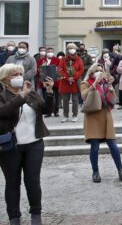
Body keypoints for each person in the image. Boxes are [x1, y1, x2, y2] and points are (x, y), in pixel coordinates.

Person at [0, 64, 54, 225]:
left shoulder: (31, 93)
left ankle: (36, 215)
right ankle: (14, 217)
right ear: (5, 78)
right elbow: (3, 112)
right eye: (14, 74)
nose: (18, 77)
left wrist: (49, 91)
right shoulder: (2, 95)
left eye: (20, 74)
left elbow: (47, 110)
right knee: (12, 182)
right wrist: (21, 96)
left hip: (34, 143)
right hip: (10, 145)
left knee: (33, 181)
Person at [80, 63, 122, 183]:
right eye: (97, 71)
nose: (99, 73)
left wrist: (110, 88)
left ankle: (120, 170)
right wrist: (94, 84)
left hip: (106, 115)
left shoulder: (106, 83)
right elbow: (84, 96)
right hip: (92, 117)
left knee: (112, 144)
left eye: (101, 71)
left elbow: (113, 100)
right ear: (91, 72)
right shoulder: (85, 83)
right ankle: (95, 172)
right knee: (94, 146)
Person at [58, 43, 84, 122]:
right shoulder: (63, 59)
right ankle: (65, 115)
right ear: (67, 50)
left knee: (75, 100)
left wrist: (74, 77)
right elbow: (60, 69)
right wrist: (67, 77)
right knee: (65, 100)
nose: (72, 50)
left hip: (75, 82)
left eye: (73, 48)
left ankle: (74, 115)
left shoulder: (78, 59)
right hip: (65, 82)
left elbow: (81, 69)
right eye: (70, 48)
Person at [36, 47, 60, 117]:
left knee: (56, 97)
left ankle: (56, 111)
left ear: (53, 52)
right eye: (48, 51)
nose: (50, 52)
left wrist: (56, 69)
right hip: (44, 82)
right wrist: (41, 69)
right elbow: (38, 70)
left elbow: (60, 70)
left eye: (51, 51)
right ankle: (48, 111)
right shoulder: (41, 61)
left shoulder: (57, 60)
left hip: (55, 82)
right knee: (45, 96)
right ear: (46, 52)